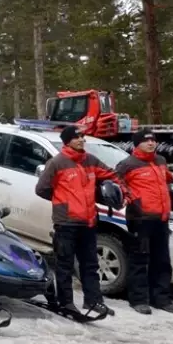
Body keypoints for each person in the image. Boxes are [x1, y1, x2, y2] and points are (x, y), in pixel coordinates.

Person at [34, 126, 125, 317]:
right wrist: (62, 201)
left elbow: (111, 174)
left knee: (90, 264)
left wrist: (120, 191)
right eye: (77, 137)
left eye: (82, 136)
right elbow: (41, 188)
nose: (81, 140)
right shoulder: (57, 163)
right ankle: (65, 303)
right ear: (68, 141)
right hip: (66, 222)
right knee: (64, 265)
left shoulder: (90, 160)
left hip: (89, 221)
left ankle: (94, 301)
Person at [116, 130, 173, 315]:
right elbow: (115, 183)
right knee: (139, 260)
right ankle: (138, 300)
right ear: (137, 144)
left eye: (153, 140)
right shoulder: (128, 164)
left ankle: (161, 299)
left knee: (162, 261)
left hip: (161, 218)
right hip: (140, 219)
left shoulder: (160, 161)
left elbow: (169, 180)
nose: (151, 144)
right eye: (146, 141)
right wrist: (128, 198)